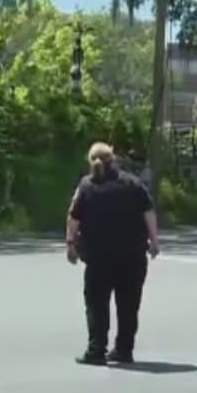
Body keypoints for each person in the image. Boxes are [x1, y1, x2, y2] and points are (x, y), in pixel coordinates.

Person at [67, 141, 160, 366]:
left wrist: (70, 244)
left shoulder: (86, 186)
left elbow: (73, 217)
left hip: (99, 257)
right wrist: (154, 241)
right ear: (114, 160)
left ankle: (96, 350)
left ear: (92, 162)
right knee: (129, 304)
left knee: (97, 304)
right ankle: (124, 350)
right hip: (132, 256)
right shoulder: (133, 184)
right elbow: (148, 212)